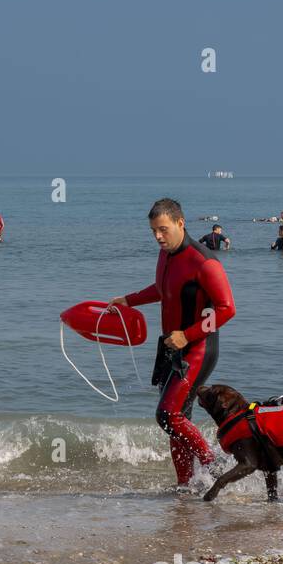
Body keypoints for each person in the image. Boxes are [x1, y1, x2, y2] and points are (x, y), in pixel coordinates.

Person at [109, 199, 235, 488]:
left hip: (198, 349)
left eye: (163, 229)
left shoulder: (204, 262)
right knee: (177, 423)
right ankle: (185, 486)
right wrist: (128, 300)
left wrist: (187, 335)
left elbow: (227, 309)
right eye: (153, 230)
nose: (158, 237)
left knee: (167, 415)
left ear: (181, 223)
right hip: (171, 349)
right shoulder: (165, 255)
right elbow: (163, 289)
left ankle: (213, 464)